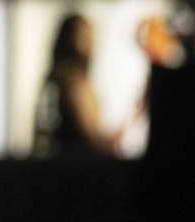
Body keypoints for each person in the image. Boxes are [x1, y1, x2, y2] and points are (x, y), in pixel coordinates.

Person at [32, 14, 133, 158]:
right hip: (75, 170)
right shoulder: (71, 82)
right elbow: (96, 141)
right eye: (83, 35)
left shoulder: (72, 80)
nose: (90, 41)